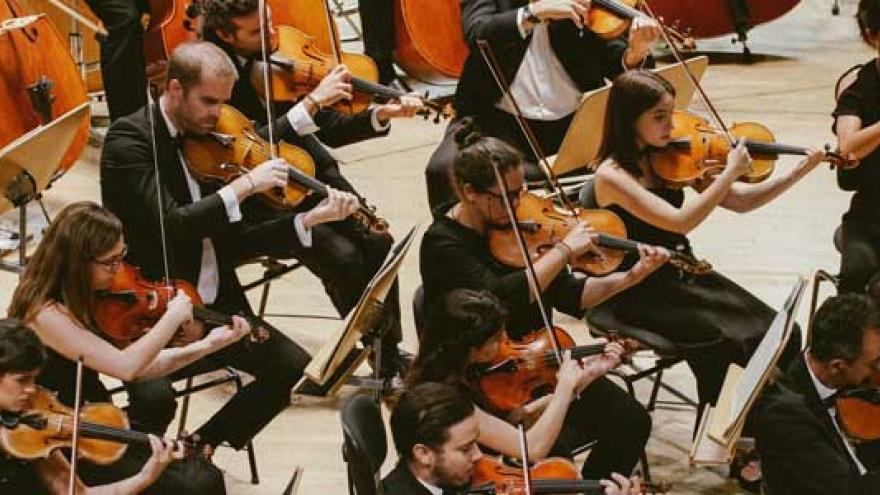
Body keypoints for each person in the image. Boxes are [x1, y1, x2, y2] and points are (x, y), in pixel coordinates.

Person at [588, 70, 826, 491]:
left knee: (779, 330)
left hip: (683, 273)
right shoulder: (612, 176)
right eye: (659, 116)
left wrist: (796, 174)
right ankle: (733, 445)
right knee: (728, 342)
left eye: (670, 113)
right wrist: (727, 173)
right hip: (637, 288)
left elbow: (740, 203)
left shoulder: (666, 156)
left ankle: (791, 433)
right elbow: (682, 219)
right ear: (630, 120)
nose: (670, 125)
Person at [198, 0, 420, 373]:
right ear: (224, 34)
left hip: (312, 172)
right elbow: (245, 149)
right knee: (344, 258)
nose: (271, 35)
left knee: (378, 241)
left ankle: (389, 350)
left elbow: (326, 126)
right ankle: (379, 355)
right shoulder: (207, 73)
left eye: (269, 24)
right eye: (256, 32)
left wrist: (380, 113)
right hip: (261, 200)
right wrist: (312, 104)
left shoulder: (278, 52)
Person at [7, 203, 229, 493]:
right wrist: (172, 316)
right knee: (197, 483)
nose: (119, 269)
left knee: (202, 475)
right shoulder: (45, 313)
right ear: (78, 263)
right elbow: (126, 366)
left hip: (94, 421)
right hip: (58, 437)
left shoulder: (88, 298)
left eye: (121, 256)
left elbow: (142, 368)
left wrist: (207, 346)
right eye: (109, 262)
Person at [420, 118, 667, 340]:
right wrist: (563, 251)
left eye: (520, 192)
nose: (517, 204)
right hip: (483, 371)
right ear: (469, 191)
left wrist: (630, 277)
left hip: (540, 359)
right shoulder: (442, 244)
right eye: (506, 197)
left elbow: (570, 294)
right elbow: (499, 299)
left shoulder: (523, 226)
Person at [424, 0, 662, 207]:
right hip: (496, 120)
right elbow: (476, 32)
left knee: (652, 155)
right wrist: (533, 13)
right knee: (443, 170)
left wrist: (635, 53)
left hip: (574, 123)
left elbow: (613, 57)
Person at [386, 380, 640, 495]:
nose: (478, 456)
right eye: (464, 449)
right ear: (423, 454)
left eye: (476, 442)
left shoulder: (442, 479)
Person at [754, 294, 880, 494]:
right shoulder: (786, 419)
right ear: (837, 367)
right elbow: (851, 491)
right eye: (873, 364)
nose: (877, 372)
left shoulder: (814, 367)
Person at [832, 0, 880, 294]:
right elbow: (848, 148)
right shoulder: (858, 90)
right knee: (857, 274)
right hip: (870, 219)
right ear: (871, 36)